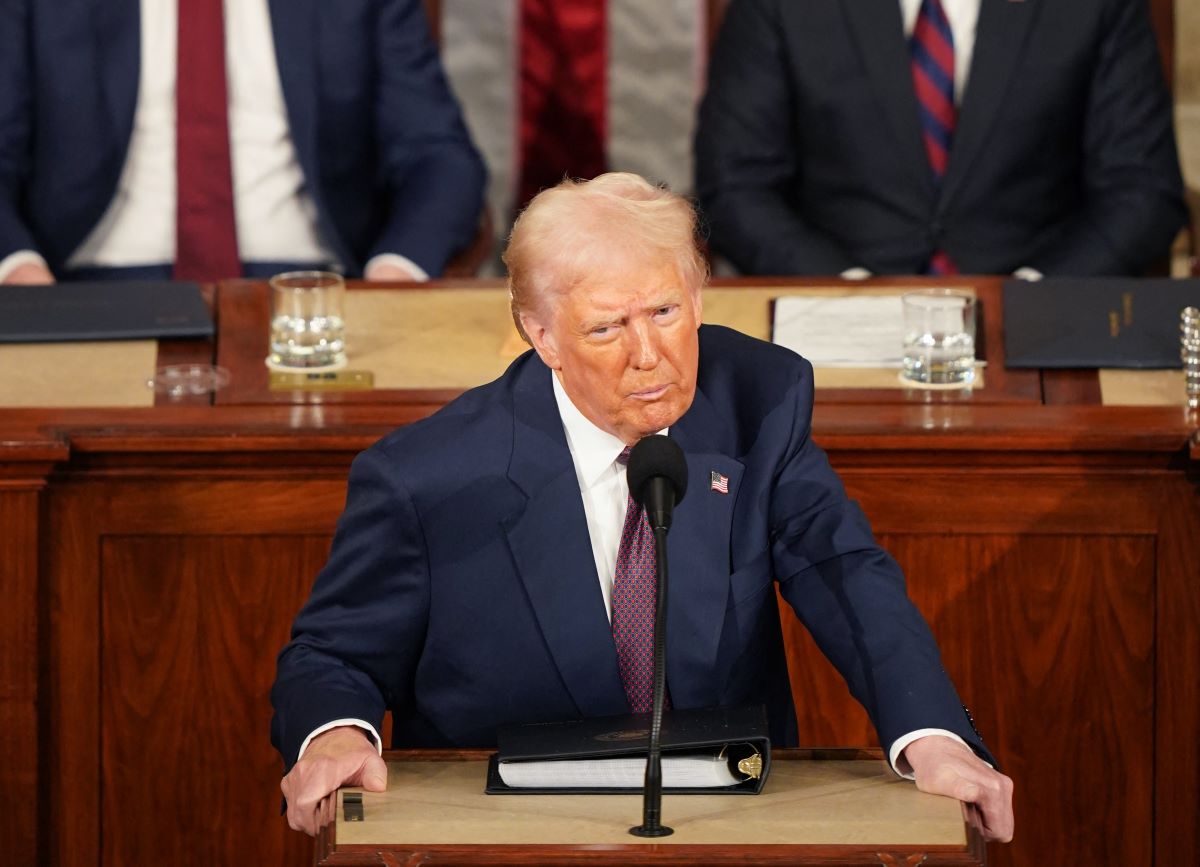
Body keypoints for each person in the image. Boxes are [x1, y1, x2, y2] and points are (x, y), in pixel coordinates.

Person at [270, 172, 1014, 841]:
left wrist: (933, 736)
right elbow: (333, 654)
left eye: (665, 309)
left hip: (720, 825)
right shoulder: (425, 474)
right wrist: (336, 737)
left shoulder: (758, 402)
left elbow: (845, 571)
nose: (649, 352)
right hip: (505, 833)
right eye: (606, 327)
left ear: (697, 298)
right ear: (542, 335)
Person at [0, 0, 485, 284]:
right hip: (82, 283)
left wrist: (395, 273)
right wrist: (18, 271)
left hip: (315, 288)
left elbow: (439, 156)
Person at [694, 0, 1186, 277]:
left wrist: (1036, 291)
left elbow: (1143, 191)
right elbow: (735, 184)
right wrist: (844, 286)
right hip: (832, 308)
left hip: (1039, 309)